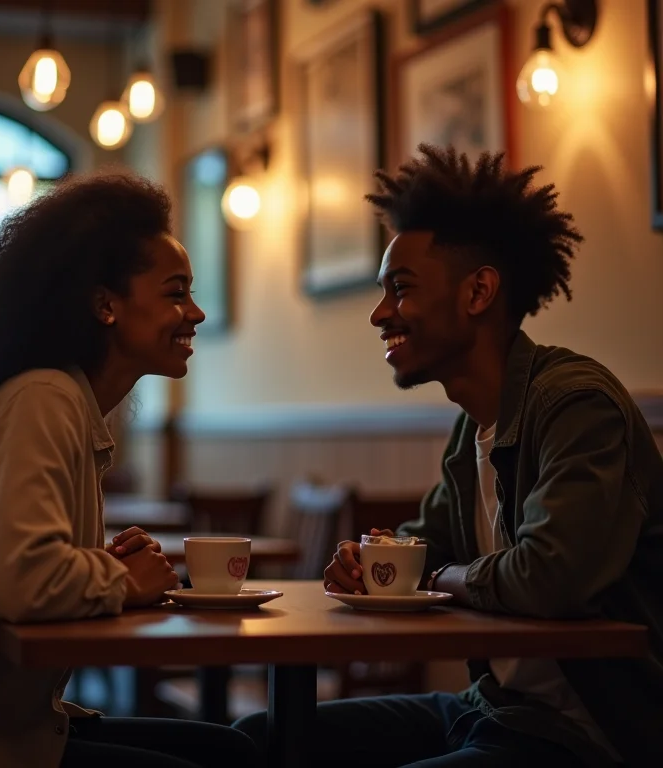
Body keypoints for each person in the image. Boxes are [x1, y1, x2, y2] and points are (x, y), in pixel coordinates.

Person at [234, 145, 663, 767]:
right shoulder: (474, 429)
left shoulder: (577, 406)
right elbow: (421, 548)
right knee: (259, 736)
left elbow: (549, 577)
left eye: (401, 289)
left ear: (478, 291)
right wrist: (366, 562)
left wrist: (438, 579)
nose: (380, 314)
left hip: (589, 735)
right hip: (492, 708)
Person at [0, 172, 258, 768]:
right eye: (176, 293)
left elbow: (23, 570)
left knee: (232, 750)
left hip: (16, 728)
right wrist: (122, 580)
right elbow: (21, 583)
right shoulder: (43, 400)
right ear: (105, 305)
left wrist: (101, 568)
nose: (195, 312)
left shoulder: (63, 401)